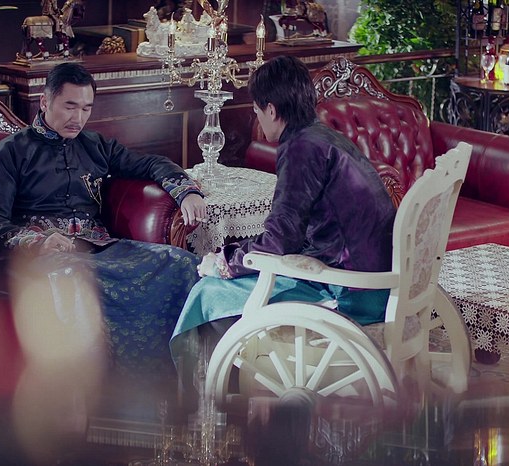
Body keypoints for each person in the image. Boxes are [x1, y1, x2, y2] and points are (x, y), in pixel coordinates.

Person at [170, 56, 396, 405]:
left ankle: (236, 390)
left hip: (352, 290)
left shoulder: (301, 148)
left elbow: (279, 240)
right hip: (375, 274)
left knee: (209, 293)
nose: (257, 119)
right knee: (231, 278)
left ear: (272, 110)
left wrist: (224, 261)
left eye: (256, 111)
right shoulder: (324, 137)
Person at [0, 63, 207, 386]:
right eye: (70, 106)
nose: (78, 117)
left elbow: (150, 163)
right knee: (73, 280)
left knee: (183, 263)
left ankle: (177, 382)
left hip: (101, 248)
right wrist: (38, 242)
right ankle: (98, 390)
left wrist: (186, 192)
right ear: (45, 102)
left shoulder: (95, 145)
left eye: (86, 108)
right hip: (43, 258)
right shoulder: (13, 151)